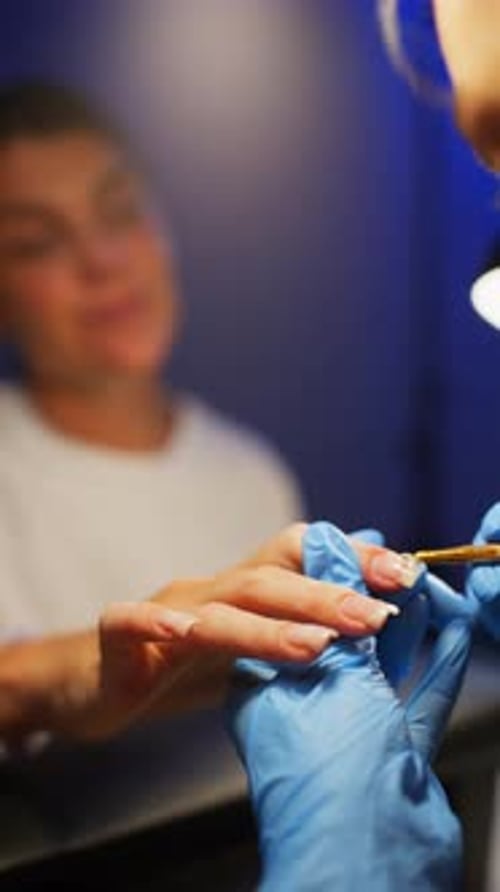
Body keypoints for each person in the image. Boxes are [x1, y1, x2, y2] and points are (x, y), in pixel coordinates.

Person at [0, 79, 409, 873]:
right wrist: (87, 673)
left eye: (121, 213)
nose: (103, 261)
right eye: (37, 242)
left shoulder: (249, 470)